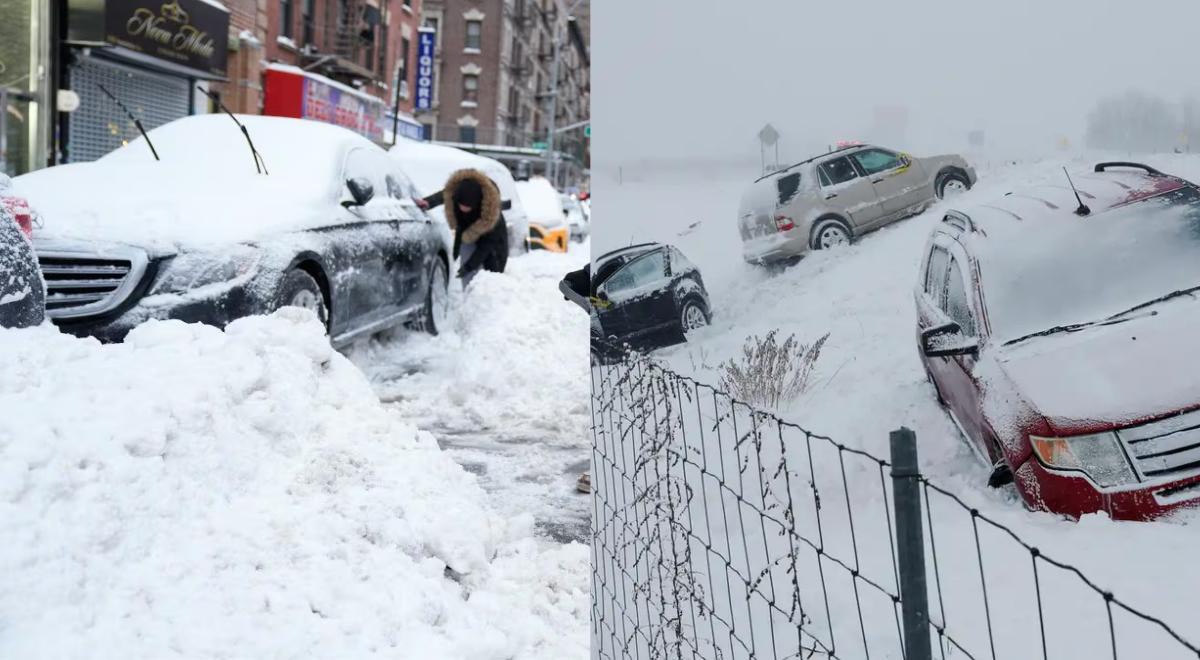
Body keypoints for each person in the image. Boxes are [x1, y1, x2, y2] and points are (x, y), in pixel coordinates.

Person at [416, 169, 509, 288]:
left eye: (467, 208)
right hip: (468, 236)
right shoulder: (456, 192)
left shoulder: (491, 216)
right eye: (460, 206)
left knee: (489, 279)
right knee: (467, 278)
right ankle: (467, 297)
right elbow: (444, 195)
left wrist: (469, 266)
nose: (463, 210)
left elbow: (486, 246)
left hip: (493, 246)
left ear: (476, 204)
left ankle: (483, 301)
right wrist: (428, 202)